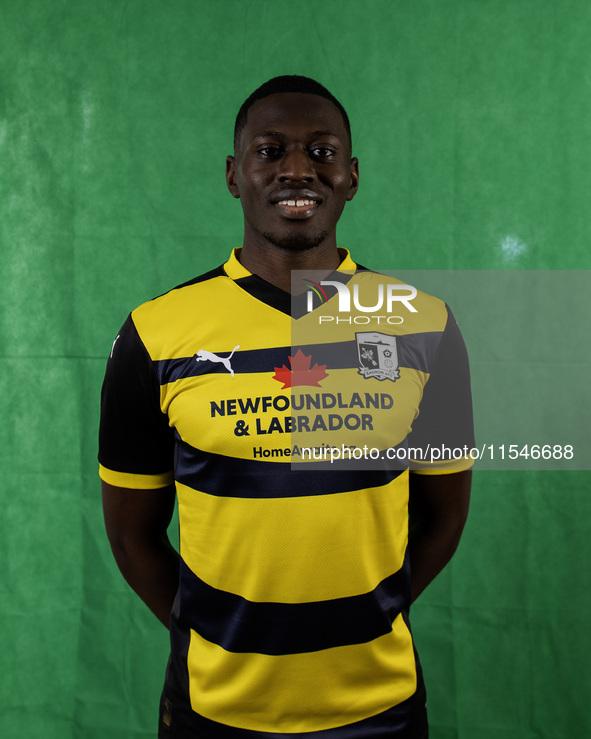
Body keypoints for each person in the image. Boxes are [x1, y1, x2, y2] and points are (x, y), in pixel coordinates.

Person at [99, 75, 473, 739]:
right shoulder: (155, 332)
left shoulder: (423, 325)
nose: (297, 168)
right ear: (233, 174)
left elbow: (444, 514)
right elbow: (132, 532)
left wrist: (367, 615)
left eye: (321, 151)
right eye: (269, 151)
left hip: (377, 707)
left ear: (351, 176)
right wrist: (216, 632)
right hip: (216, 709)